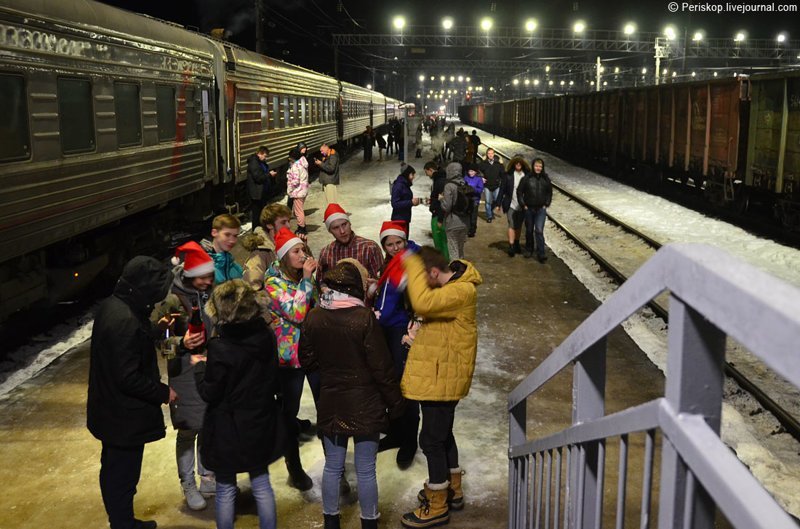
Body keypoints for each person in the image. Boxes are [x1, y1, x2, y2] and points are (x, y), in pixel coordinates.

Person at [299, 260, 404, 529]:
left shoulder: (314, 317)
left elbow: (307, 359)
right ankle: (369, 523)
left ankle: (331, 521)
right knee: (366, 469)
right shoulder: (364, 319)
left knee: (333, 467)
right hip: (366, 402)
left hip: (332, 400)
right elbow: (381, 366)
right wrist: (395, 403)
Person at [87, 256, 183, 529]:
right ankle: (123, 524)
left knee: (115, 470)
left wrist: (157, 329)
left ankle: (122, 520)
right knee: (122, 474)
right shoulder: (125, 321)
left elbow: (136, 332)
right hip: (123, 416)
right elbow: (128, 377)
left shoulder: (114, 306)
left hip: (111, 410)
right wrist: (163, 393)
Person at [399, 246, 482, 529]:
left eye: (425, 278)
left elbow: (422, 302)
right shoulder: (455, 288)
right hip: (440, 372)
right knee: (442, 435)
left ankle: (437, 506)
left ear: (433, 272)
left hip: (442, 377)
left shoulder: (461, 291)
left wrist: (410, 264)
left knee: (431, 441)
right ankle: (452, 491)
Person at [194, 279, 284, 529]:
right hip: (259, 421)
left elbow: (209, 392)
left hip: (228, 429)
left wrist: (200, 367)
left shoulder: (220, 348)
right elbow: (273, 377)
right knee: (262, 485)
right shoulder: (266, 336)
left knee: (225, 490)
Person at [158, 242, 217, 511]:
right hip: (183, 373)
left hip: (208, 369)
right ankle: (188, 483)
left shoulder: (210, 293)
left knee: (207, 424)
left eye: (210, 276)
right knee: (188, 430)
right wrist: (182, 342)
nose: (207, 281)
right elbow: (160, 342)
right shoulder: (171, 300)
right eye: (203, 277)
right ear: (190, 275)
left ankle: (207, 476)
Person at [264, 228, 319, 491]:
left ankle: (337, 468)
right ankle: (294, 468)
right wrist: (308, 279)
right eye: (296, 252)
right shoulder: (273, 283)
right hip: (289, 360)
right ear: (284, 256)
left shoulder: (303, 276)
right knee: (289, 414)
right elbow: (297, 313)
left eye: (303, 250)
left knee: (327, 406)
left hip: (315, 352)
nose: (302, 255)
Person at [373, 221, 421, 469]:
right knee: (391, 382)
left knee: (407, 385)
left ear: (405, 241)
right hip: (387, 328)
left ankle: (409, 440)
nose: (393, 247)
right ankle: (395, 432)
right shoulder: (392, 261)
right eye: (389, 244)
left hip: (403, 330)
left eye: (397, 243)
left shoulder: (412, 260)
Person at [317, 203, 383, 280]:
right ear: (330, 231)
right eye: (335, 228)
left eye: (344, 224)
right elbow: (321, 281)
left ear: (350, 223)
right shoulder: (326, 253)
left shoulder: (369, 248)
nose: (342, 231)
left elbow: (382, 280)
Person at [240, 203, 292, 292]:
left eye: (289, 221)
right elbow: (252, 287)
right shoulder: (260, 253)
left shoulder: (282, 244)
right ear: (269, 225)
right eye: (283, 222)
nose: (288, 226)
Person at [518, 157, 553, 262]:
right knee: (529, 230)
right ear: (533, 166)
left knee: (538, 230)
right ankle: (529, 249)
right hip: (529, 208)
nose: (538, 168)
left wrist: (546, 203)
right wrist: (523, 204)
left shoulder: (545, 179)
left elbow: (549, 192)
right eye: (536, 166)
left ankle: (541, 253)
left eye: (540, 166)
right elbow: (519, 191)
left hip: (540, 209)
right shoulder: (527, 178)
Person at [495, 155, 530, 257]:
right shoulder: (508, 175)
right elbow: (502, 189)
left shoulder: (527, 175)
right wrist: (498, 203)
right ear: (514, 164)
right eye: (516, 163)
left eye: (520, 163)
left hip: (522, 205)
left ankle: (516, 243)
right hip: (511, 204)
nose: (518, 164)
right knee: (511, 224)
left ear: (522, 164)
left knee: (518, 225)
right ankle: (511, 246)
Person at [440, 162, 470, 260]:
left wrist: (441, 199)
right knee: (460, 251)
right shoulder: (464, 183)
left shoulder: (449, 186)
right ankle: (463, 272)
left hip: (452, 223)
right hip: (464, 222)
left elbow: (447, 207)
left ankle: (457, 273)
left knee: (453, 252)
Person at [201, 214, 243, 283]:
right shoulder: (202, 266)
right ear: (214, 233)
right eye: (227, 235)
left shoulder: (233, 265)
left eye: (235, 236)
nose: (232, 241)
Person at [424, 161, 449, 261]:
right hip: (438, 213)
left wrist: (440, 219)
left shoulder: (440, 181)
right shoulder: (440, 179)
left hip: (438, 215)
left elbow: (442, 201)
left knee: (440, 240)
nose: (427, 175)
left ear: (431, 170)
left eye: (427, 173)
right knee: (441, 240)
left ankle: (444, 262)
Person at [246, 146, 277, 226]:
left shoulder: (259, 162)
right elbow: (258, 177)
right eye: (265, 156)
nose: (265, 158)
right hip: (256, 194)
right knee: (257, 215)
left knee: (261, 213)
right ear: (260, 153)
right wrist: (269, 175)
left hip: (261, 193)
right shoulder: (254, 162)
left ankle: (260, 229)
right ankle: (256, 232)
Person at [286, 146, 310, 238]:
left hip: (298, 191)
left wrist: (290, 188)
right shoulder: (303, 163)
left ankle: (302, 228)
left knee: (298, 211)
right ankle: (302, 226)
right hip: (303, 190)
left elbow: (295, 181)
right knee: (299, 210)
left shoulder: (296, 166)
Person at [478, 148, 503, 223]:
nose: (490, 155)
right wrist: (481, 178)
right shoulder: (483, 163)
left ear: (494, 154)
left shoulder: (498, 163)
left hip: (496, 185)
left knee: (496, 200)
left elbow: (503, 174)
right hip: (487, 186)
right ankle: (489, 216)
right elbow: (476, 171)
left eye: (492, 153)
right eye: (489, 153)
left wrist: (502, 164)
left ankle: (490, 210)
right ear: (487, 154)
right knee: (488, 202)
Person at [462, 164, 484, 238]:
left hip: (474, 200)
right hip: (466, 200)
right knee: (466, 215)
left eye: (472, 171)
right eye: (469, 171)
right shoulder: (465, 178)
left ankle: (472, 230)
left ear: (475, 172)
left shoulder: (479, 179)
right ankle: (467, 228)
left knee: (473, 216)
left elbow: (480, 190)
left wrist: (473, 189)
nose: (470, 173)